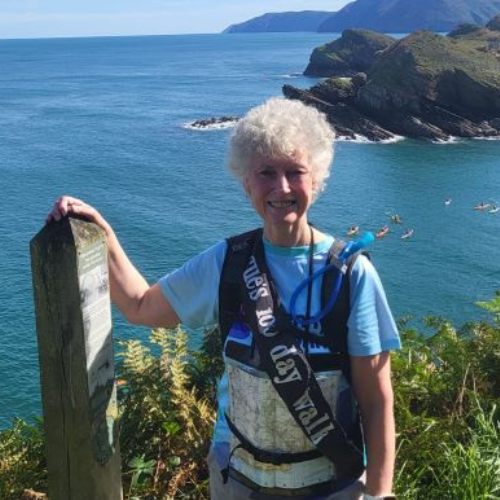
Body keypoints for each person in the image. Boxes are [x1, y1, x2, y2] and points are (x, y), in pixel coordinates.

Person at [46, 97, 400, 500]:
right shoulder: (227, 263)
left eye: (295, 172)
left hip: (331, 486)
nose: (281, 187)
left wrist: (378, 494)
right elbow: (141, 306)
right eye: (266, 172)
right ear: (246, 181)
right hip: (240, 480)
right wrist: (104, 233)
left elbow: (376, 400)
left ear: (315, 180)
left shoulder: (352, 275)